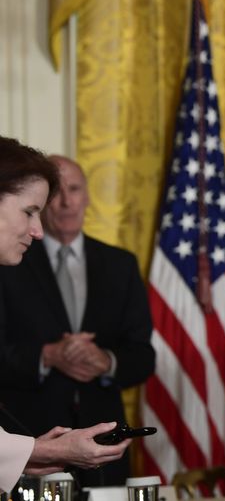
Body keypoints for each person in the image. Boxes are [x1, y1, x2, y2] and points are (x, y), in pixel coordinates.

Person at [0, 155, 155, 487]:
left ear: (87, 196)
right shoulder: (10, 261)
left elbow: (142, 354)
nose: (67, 202)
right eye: (30, 211)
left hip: (100, 443)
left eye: (75, 189)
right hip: (28, 431)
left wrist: (106, 361)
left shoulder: (120, 264)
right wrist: (47, 356)